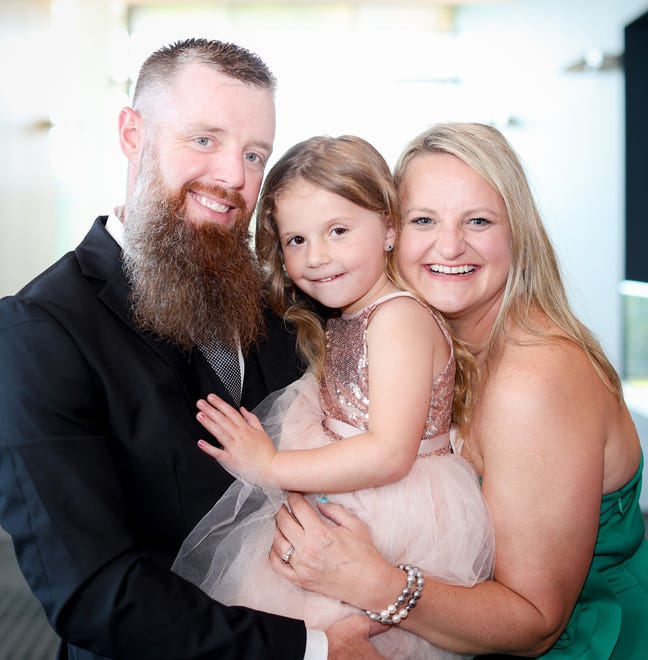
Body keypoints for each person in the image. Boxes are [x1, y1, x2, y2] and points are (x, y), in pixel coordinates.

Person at [0, 38, 380, 660]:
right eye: (204, 139)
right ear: (132, 133)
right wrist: (313, 649)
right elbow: (95, 593)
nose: (234, 176)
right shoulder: (37, 333)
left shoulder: (286, 301)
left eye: (254, 153)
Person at [269, 123, 648, 658]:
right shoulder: (418, 342)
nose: (449, 245)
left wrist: (373, 583)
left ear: (517, 232)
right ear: (391, 231)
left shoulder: (532, 382)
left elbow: (537, 624)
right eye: (425, 219)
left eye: (478, 221)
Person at [172, 134, 494, 659]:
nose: (316, 257)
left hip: (391, 517)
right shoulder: (354, 315)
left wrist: (273, 465)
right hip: (342, 496)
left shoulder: (398, 319)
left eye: (338, 231)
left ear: (389, 228)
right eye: (296, 241)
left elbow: (390, 453)